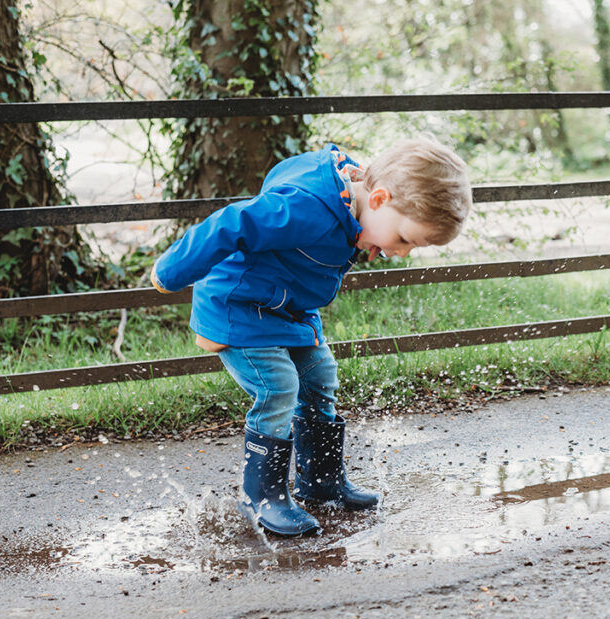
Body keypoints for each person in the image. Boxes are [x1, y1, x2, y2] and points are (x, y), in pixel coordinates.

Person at [150, 137, 473, 536]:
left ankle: (320, 483)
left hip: (287, 308)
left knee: (320, 375)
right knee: (279, 386)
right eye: (405, 239)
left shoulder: (354, 198)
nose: (402, 253)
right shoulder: (308, 207)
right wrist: (172, 271)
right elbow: (233, 223)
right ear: (378, 199)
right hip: (239, 308)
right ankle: (262, 497)